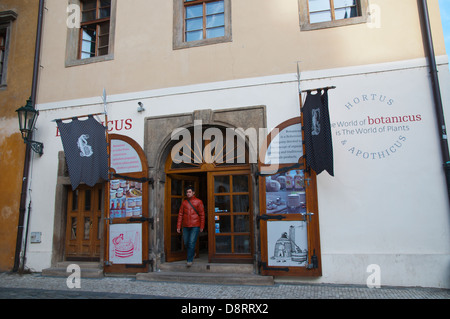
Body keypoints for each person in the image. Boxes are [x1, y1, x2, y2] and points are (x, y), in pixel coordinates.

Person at [177, 185, 205, 267]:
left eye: (190, 192)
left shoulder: (198, 202)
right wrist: (178, 226)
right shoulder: (184, 203)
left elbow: (202, 215)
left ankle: (189, 260)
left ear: (193, 193)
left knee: (191, 242)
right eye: (187, 192)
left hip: (195, 225)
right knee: (186, 242)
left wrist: (202, 226)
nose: (188, 194)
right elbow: (180, 215)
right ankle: (193, 253)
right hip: (185, 225)